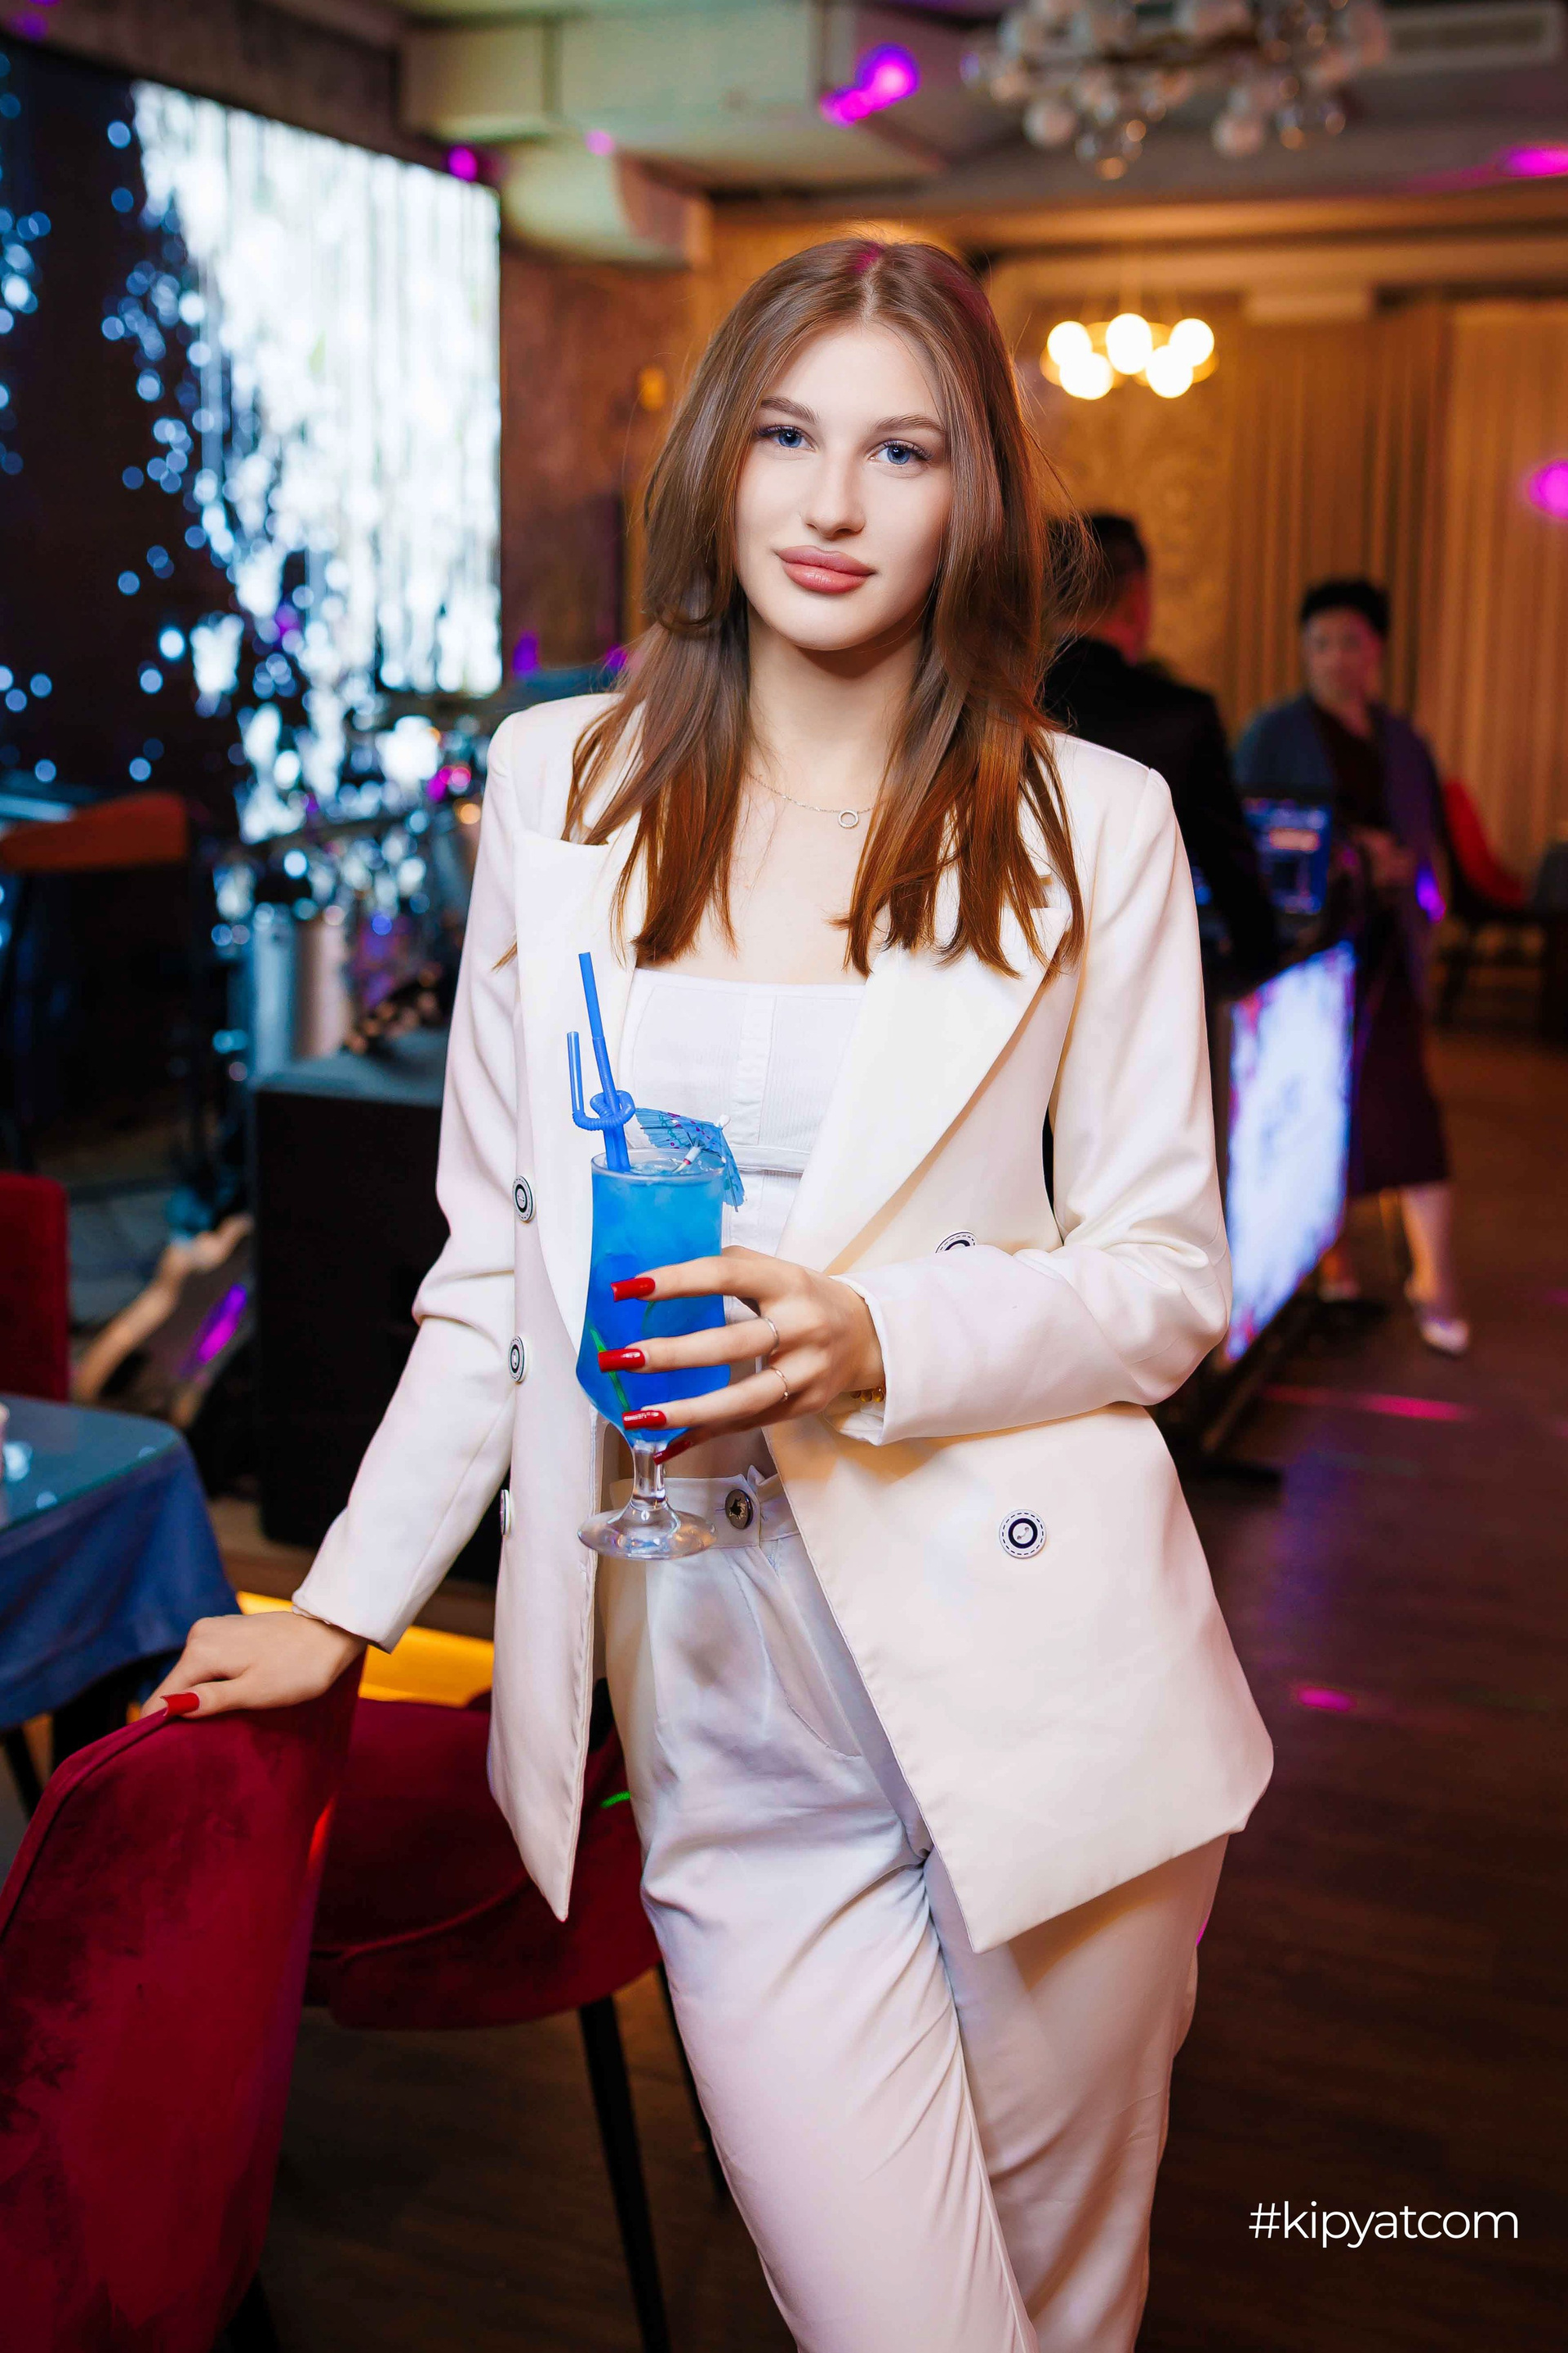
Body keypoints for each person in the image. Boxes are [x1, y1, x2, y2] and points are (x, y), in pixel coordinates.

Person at [148, 241, 1272, 2351]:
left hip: (1044, 1688)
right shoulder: (562, 785)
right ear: (716, 464)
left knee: (1065, 2311)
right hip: (720, 1704)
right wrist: (343, 1607)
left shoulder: (1090, 821)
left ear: (973, 497)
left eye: (902, 451)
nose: (832, 504)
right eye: (786, 436)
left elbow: (1160, 1281)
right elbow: (496, 1263)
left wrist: (875, 1338)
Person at [1235, 578, 1467, 1354]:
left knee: (1405, 1106)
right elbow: (1248, 832)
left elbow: (1430, 841)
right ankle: (1332, 1264)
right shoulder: (1274, 732)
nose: (1336, 658)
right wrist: (1349, 854)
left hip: (1388, 949)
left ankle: (1435, 1280)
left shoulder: (1403, 741)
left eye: (1351, 643)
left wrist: (1414, 880)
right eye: (1321, 643)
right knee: (1317, 1107)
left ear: (1378, 651)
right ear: (1304, 652)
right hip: (1313, 952)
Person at [1044, 513, 1277, 979]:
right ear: (1137, 597)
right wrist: (1251, 962)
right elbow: (1238, 889)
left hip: (1014, 981)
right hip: (1138, 981)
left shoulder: (995, 703)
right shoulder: (1183, 717)